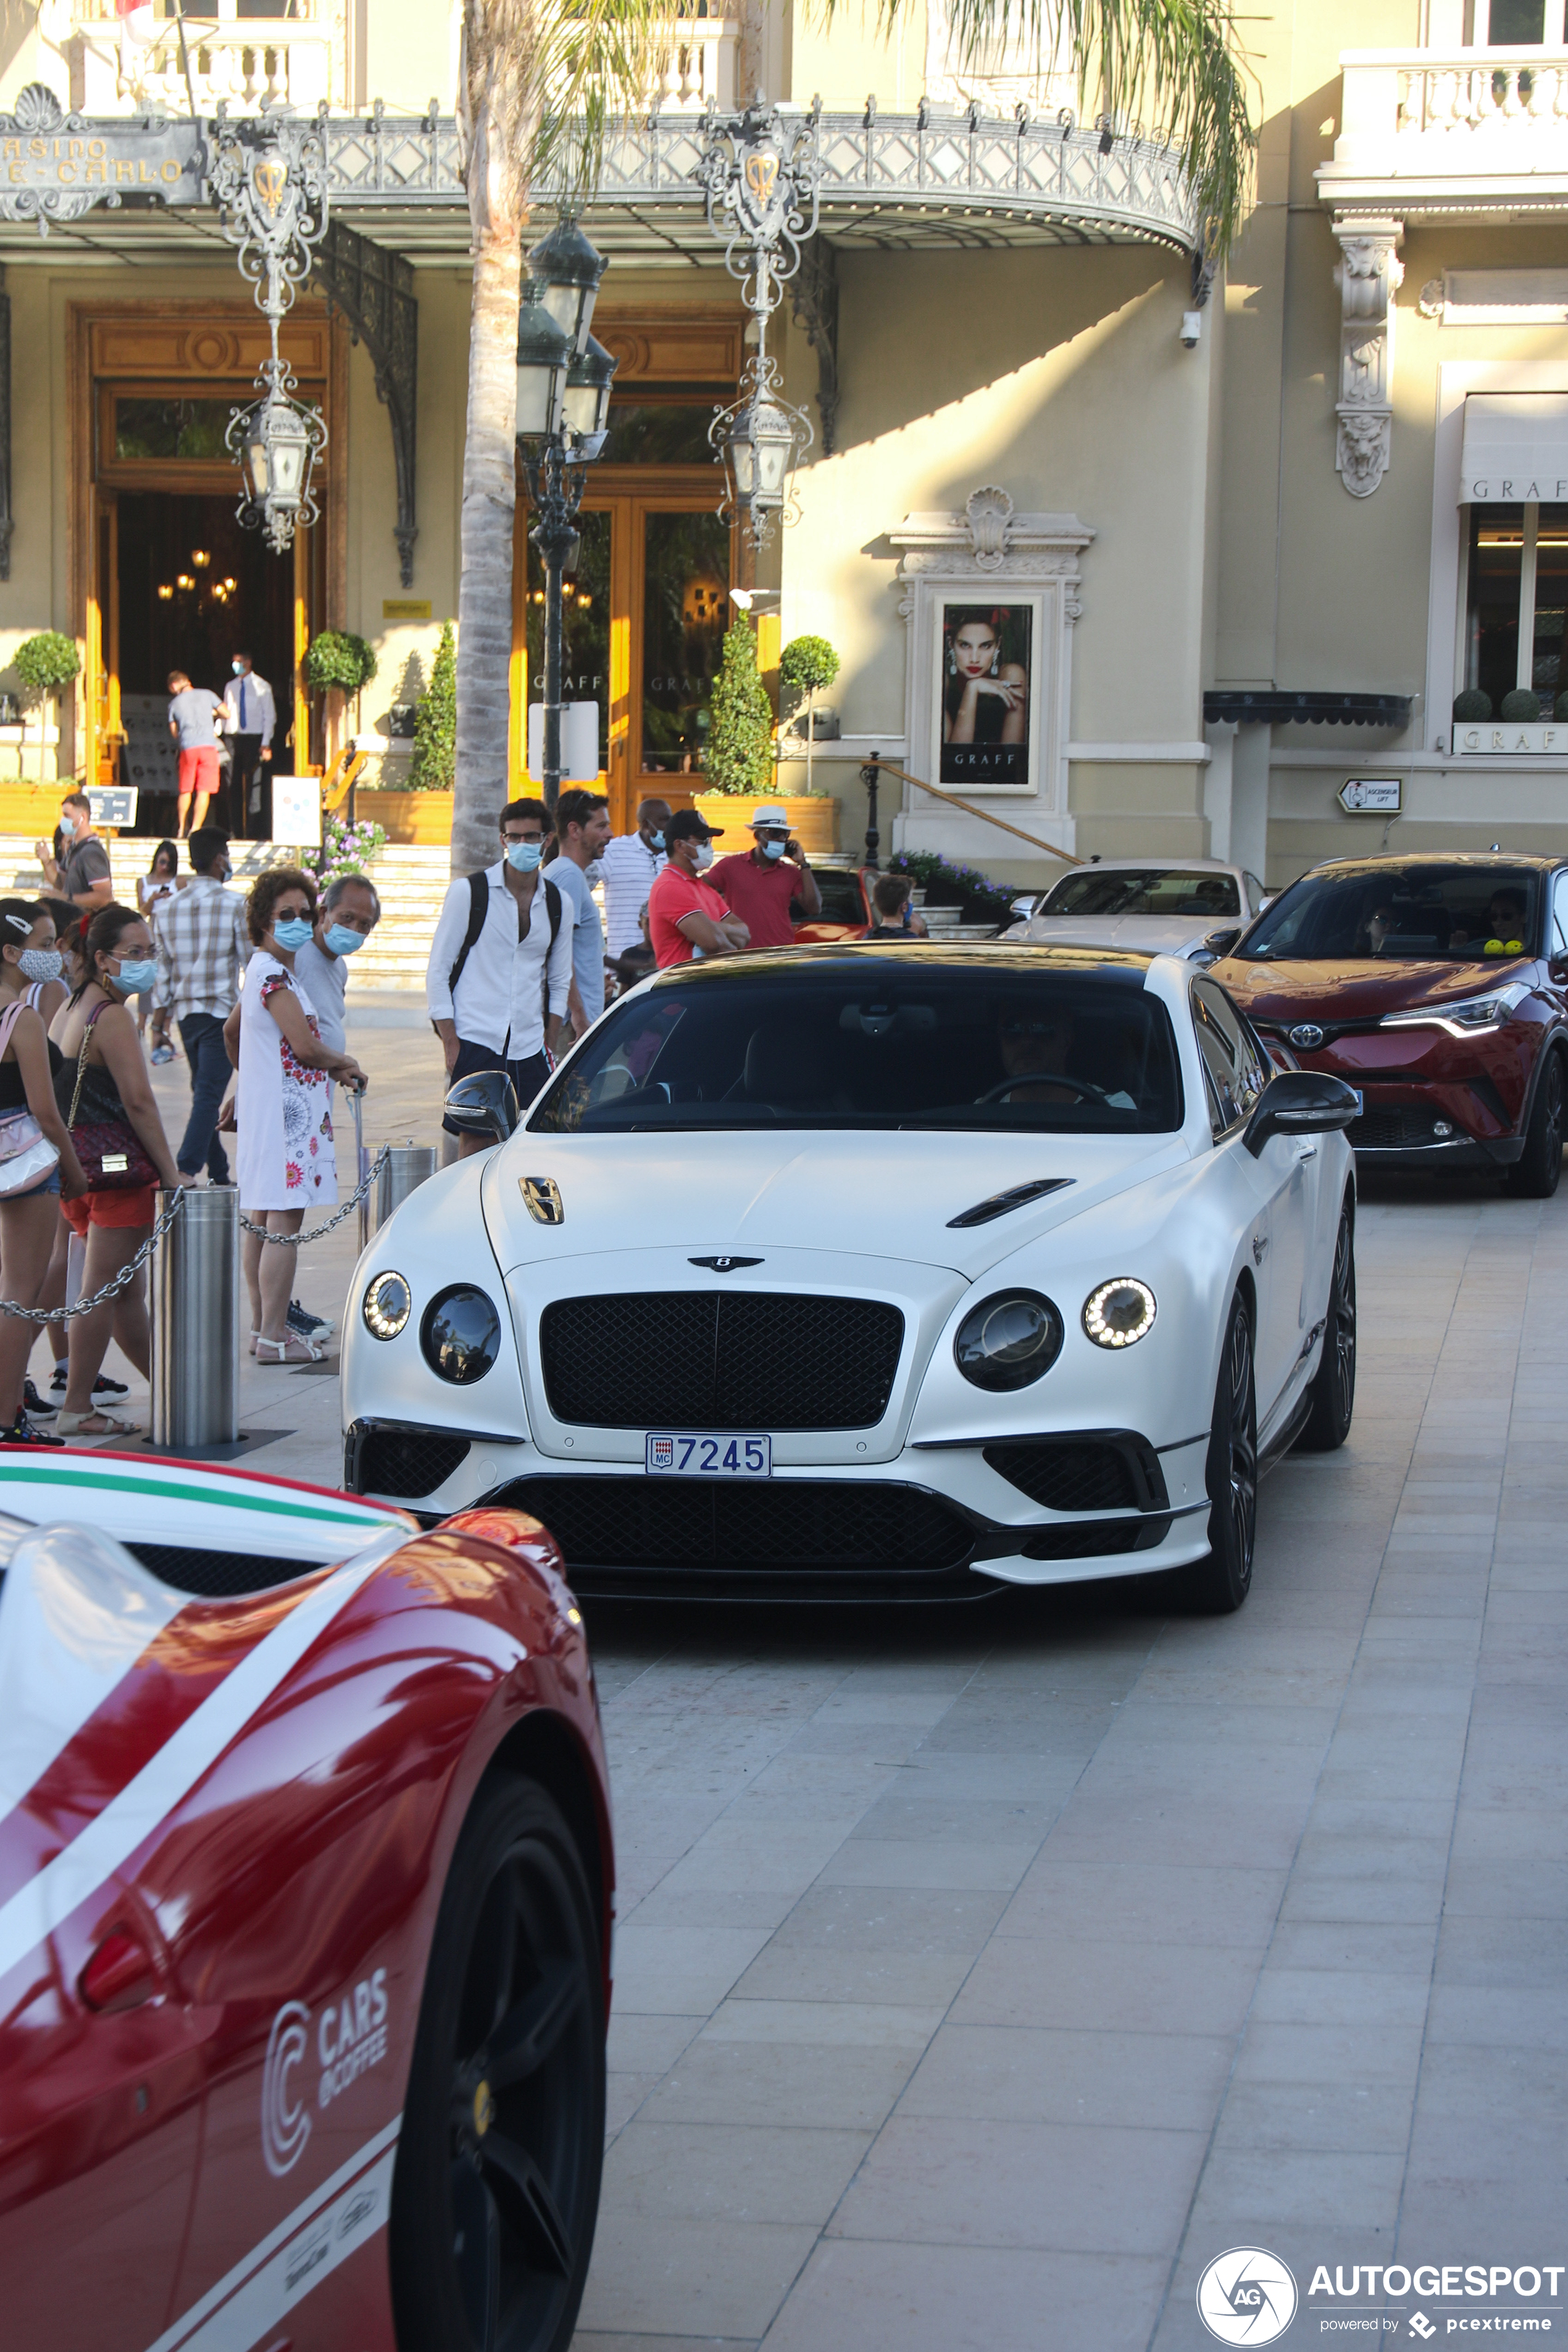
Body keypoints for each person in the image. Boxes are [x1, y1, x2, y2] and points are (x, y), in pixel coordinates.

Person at [50, 902, 184, 1438]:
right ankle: (78, 1405)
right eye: (135, 953)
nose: (146, 962)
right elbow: (140, 1103)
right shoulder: (112, 1017)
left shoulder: (71, 1006)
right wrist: (171, 1173)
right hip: (118, 1173)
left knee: (123, 1290)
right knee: (103, 1289)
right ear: (103, 958)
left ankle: (172, 1384)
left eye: (150, 952)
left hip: (79, 1169)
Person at [225, 867, 366, 1364]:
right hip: (289, 1122)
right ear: (264, 920)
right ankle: (272, 1336)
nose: (299, 923)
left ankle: (265, 1329)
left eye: (306, 914)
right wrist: (345, 1064)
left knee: (264, 1221)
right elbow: (305, 1047)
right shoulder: (271, 973)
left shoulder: (271, 972)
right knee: (281, 1222)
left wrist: (255, 1081)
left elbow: (235, 1035)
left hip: (284, 1115)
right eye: (287, 914)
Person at [425, 799, 573, 1157]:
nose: (522, 845)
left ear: (548, 839)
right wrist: (451, 1043)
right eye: (514, 837)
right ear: (503, 840)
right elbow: (438, 971)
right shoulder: (470, 893)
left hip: (529, 1044)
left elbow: (558, 978)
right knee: (476, 1145)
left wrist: (549, 1039)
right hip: (476, 1037)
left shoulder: (558, 902)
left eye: (531, 836)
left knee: (535, 1142)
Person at [0, 901, 89, 1445]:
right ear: (11, 953)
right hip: (27, 1162)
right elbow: (47, 1109)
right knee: (20, 1294)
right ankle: (8, 1417)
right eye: (43, 943)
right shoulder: (22, 1019)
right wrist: (74, 1171)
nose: (54, 953)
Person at [148, 827, 251, 1191]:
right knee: (207, 1094)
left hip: (186, 1017)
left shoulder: (167, 908)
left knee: (203, 1093)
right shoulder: (236, 904)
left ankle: (219, 1171)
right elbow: (249, 962)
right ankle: (186, 1169)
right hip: (221, 1014)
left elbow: (163, 971)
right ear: (221, 859)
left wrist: (158, 1023)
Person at [708, 805, 822, 950]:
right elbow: (700, 889)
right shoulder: (730, 866)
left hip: (779, 952)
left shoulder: (791, 873)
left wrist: (803, 864)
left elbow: (814, 908)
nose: (781, 839)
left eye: (785, 835)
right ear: (758, 836)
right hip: (740, 953)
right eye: (775, 833)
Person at [548, 787, 613, 1038]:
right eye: (601, 826)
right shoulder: (568, 875)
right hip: (572, 1026)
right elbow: (558, 952)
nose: (609, 834)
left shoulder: (567, 873)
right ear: (575, 830)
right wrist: (578, 1014)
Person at [648, 810, 750, 969]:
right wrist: (716, 931)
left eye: (709, 841)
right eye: (702, 841)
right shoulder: (670, 887)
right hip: (682, 988)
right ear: (680, 845)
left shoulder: (704, 888)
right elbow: (714, 943)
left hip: (704, 986)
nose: (708, 847)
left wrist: (712, 927)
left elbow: (744, 935)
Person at [294, 872, 382, 1056]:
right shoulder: (294, 956)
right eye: (347, 917)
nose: (354, 929)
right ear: (324, 913)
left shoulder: (340, 968)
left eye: (365, 924)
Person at [943, 608, 1028, 753]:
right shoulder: (944, 682)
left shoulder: (1012, 675)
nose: (975, 658)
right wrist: (973, 688)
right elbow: (957, 755)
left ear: (997, 645)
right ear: (951, 644)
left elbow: (1011, 755)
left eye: (985, 646)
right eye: (965, 645)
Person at [600, 798, 670, 958]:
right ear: (646, 825)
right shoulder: (614, 851)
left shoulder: (674, 856)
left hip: (663, 962)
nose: (669, 826)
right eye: (664, 820)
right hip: (623, 962)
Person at [222, 651, 277, 839]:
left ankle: (254, 831)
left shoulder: (262, 687)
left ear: (248, 662)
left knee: (255, 785)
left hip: (254, 738)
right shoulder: (230, 686)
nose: (235, 665)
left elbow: (269, 717)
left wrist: (265, 743)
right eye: (233, 662)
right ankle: (235, 830)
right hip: (233, 737)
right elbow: (226, 712)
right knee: (232, 785)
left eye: (238, 662)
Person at [166, 669, 226, 838]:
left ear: (175, 685)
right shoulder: (208, 695)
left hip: (188, 748)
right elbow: (226, 713)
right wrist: (210, 713)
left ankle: (181, 828)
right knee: (204, 790)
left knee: (185, 789)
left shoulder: (174, 704)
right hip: (208, 747)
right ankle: (195, 829)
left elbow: (174, 733)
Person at [134, 840, 185, 1036]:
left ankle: (165, 1024)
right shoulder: (144, 882)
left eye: (168, 863)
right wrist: (152, 899)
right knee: (148, 977)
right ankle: (142, 1021)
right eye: (161, 862)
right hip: (152, 928)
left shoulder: (179, 882)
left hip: (172, 929)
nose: (163, 867)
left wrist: (173, 897)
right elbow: (143, 911)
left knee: (170, 976)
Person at [36, 791, 113, 917]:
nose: (63, 821)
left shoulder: (91, 852)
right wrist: (46, 861)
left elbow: (104, 897)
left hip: (88, 923)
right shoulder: (74, 848)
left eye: (67, 815)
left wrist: (66, 898)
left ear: (83, 817)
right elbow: (61, 884)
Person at [863, 872, 929, 941]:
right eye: (910, 899)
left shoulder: (867, 938)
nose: (912, 903)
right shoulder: (912, 941)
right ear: (905, 907)